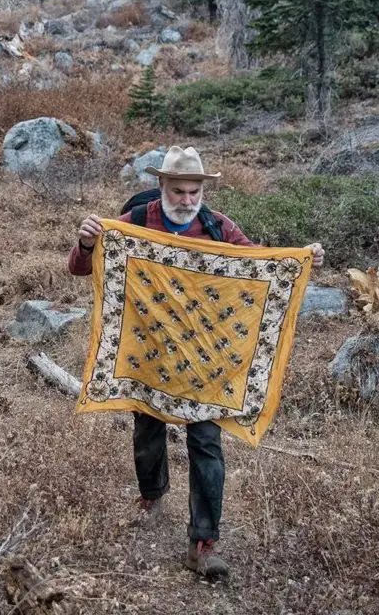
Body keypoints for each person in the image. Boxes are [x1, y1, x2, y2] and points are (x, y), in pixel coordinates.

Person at [67, 145, 324, 579]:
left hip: (205, 361)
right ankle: (151, 494)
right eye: (178, 191)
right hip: (149, 349)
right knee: (147, 427)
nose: (187, 200)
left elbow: (260, 263)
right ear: (162, 186)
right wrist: (86, 241)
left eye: (194, 192)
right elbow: (79, 268)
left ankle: (203, 543)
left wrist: (302, 259)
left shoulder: (217, 226)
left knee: (206, 443)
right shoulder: (134, 223)